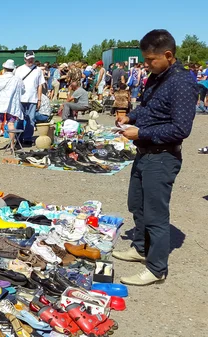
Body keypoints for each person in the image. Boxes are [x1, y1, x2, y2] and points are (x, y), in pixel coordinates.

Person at [113, 29, 197, 286]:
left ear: (168, 55)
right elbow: (149, 108)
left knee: (155, 215)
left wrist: (141, 132)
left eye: (150, 60)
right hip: (145, 152)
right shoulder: (156, 77)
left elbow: (181, 128)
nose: (146, 64)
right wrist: (130, 117)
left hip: (162, 156)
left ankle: (157, 267)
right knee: (136, 204)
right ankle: (140, 248)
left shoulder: (182, 82)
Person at [0, 59, 24, 151]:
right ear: (13, 69)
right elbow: (23, 91)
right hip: (12, 105)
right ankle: (12, 145)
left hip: (0, 104)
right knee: (11, 123)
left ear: (4, 68)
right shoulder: (18, 80)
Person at [15, 50, 45, 143]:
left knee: (31, 119)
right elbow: (15, 84)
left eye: (32, 58)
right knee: (20, 119)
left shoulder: (38, 70)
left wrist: (39, 99)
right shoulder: (19, 69)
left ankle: (27, 138)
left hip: (33, 98)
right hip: (21, 98)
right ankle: (18, 138)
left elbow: (40, 85)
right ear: (25, 59)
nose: (30, 60)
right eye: (29, 59)